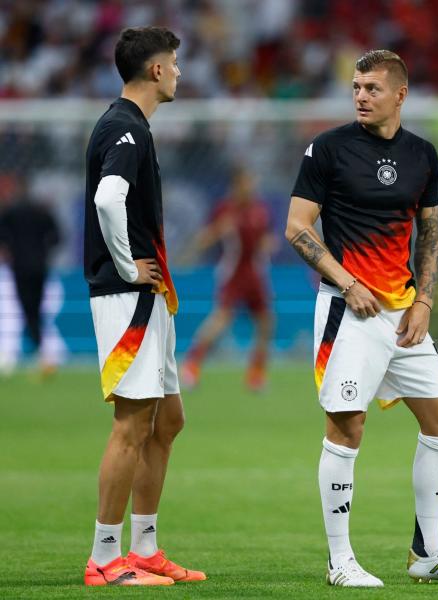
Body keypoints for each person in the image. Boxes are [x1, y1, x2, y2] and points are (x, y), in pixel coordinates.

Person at [286, 49, 438, 587]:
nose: (360, 96)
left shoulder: (423, 155)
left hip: (403, 315)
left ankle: (427, 551)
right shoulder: (327, 149)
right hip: (348, 311)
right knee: (347, 424)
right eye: (355, 87)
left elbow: (431, 235)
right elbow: (297, 227)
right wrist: (348, 282)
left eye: (372, 88)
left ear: (400, 94)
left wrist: (423, 301)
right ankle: (340, 561)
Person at [82, 27, 204, 586]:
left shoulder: (131, 127)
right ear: (155, 71)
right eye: (174, 63)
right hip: (127, 295)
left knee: (167, 420)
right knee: (132, 423)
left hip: (147, 296)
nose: (179, 71)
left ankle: (146, 547)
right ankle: (106, 559)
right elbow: (109, 198)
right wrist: (130, 266)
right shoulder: (125, 129)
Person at [181, 168, 274, 391]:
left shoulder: (259, 210)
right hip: (234, 273)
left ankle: (256, 374)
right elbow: (208, 235)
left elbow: (266, 238)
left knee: (265, 323)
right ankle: (191, 365)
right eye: (246, 183)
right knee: (220, 319)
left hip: (255, 273)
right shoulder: (226, 209)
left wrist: (268, 244)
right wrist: (196, 247)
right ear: (236, 185)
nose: (251, 187)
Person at [0, 178, 62, 373]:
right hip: (39, 266)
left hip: (19, 267)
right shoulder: (42, 212)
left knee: (26, 308)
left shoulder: (11, 213)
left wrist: (9, 251)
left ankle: (38, 352)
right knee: (35, 309)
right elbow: (57, 237)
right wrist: (44, 252)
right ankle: (42, 353)